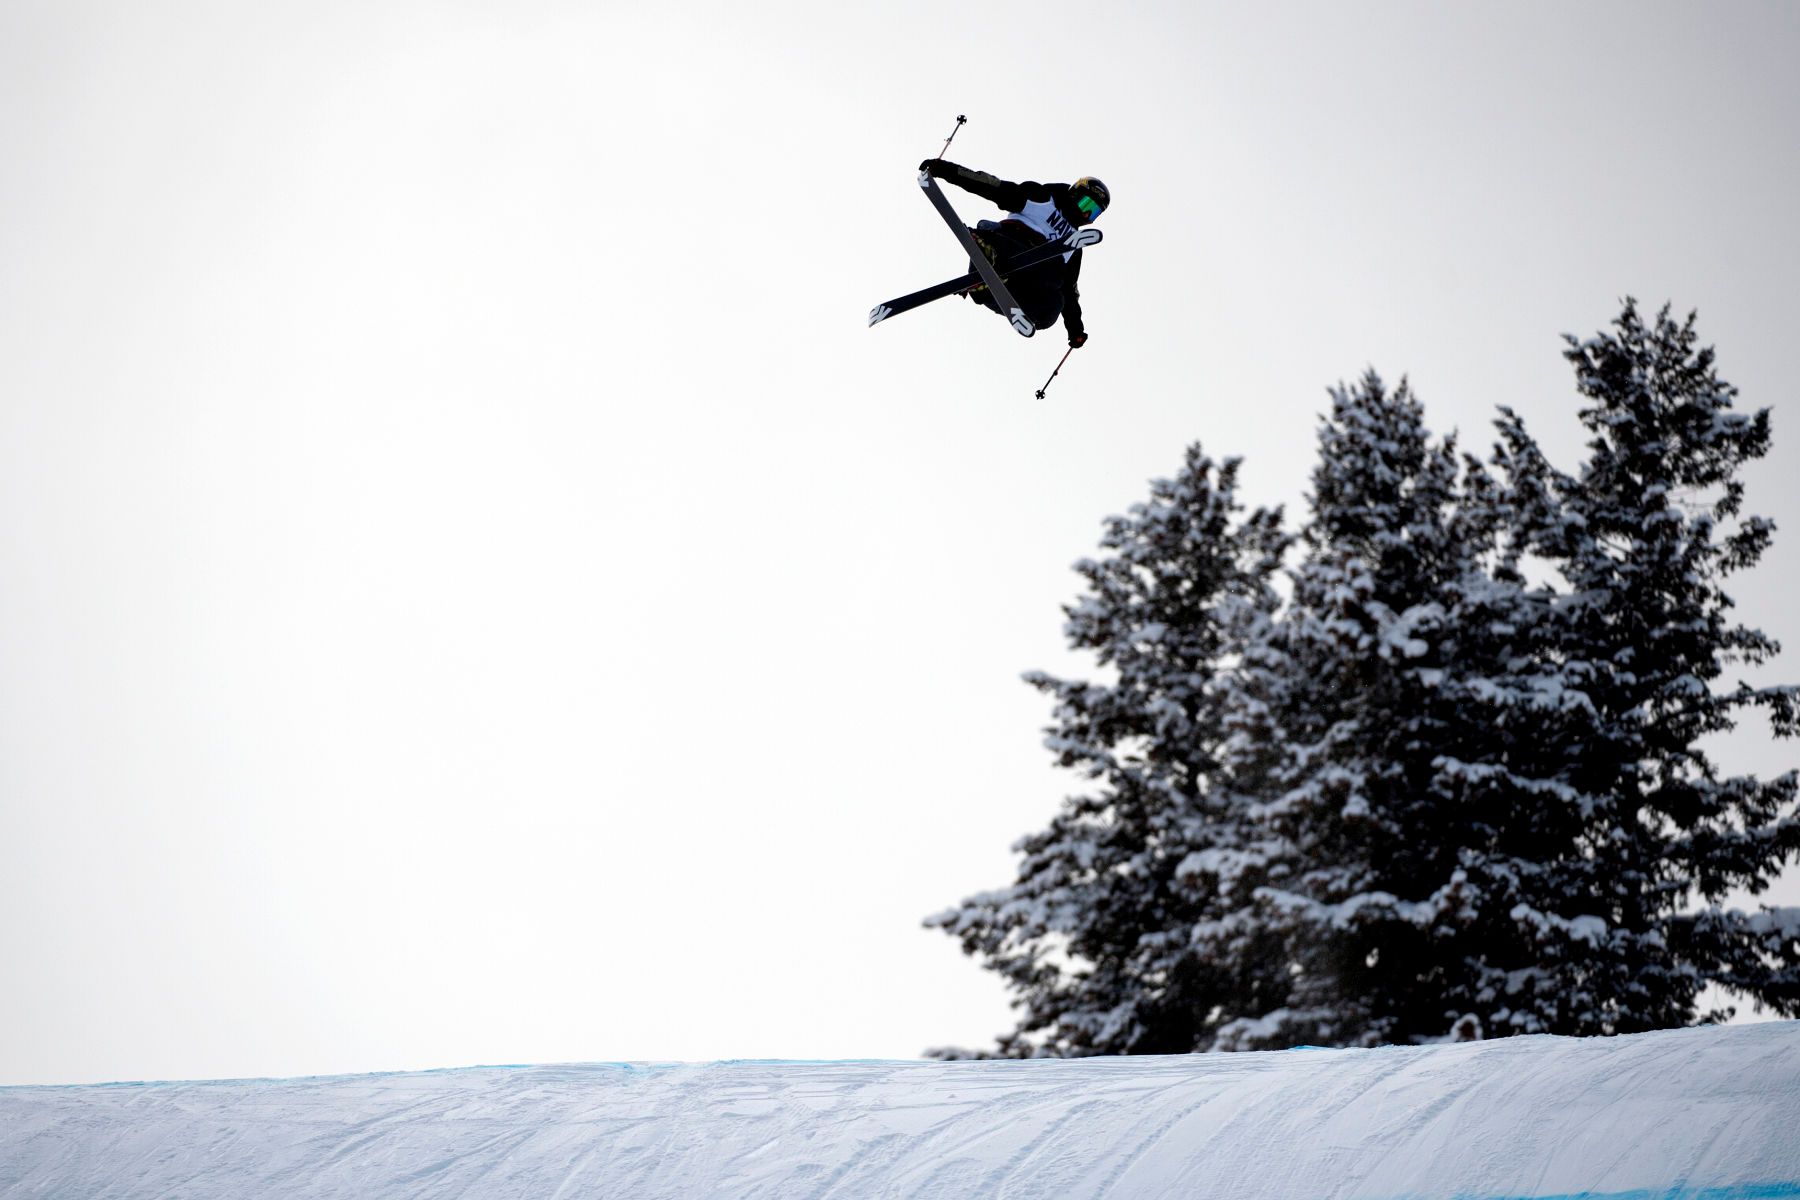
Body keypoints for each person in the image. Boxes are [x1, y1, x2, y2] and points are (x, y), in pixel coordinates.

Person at [917, 158, 1109, 348]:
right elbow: (992, 186)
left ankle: (985, 288)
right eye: (1085, 205)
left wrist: (1075, 329)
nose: (1085, 214)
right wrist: (944, 169)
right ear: (1074, 194)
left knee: (1052, 307)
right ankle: (986, 250)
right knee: (1052, 264)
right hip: (1011, 245)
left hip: (1025, 280)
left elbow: (1069, 292)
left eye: (1092, 212)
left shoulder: (1075, 244)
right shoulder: (1042, 198)